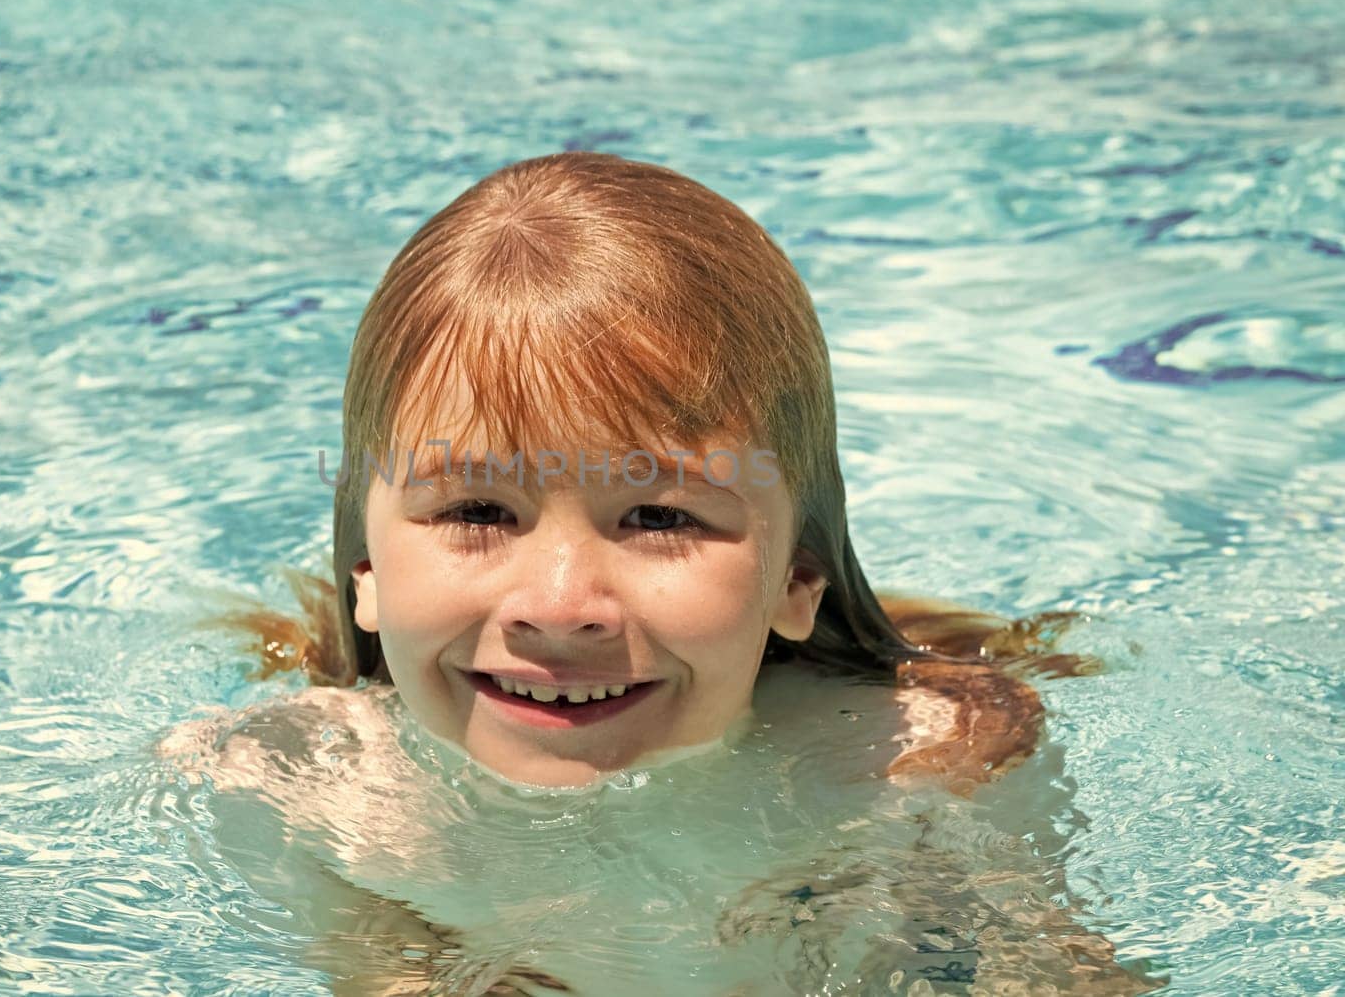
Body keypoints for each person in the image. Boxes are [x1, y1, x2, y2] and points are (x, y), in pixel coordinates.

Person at [159, 152, 1162, 994]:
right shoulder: (299, 788)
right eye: (474, 509)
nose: (558, 604)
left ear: (795, 579)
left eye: (656, 515)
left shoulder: (910, 768)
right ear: (367, 567)